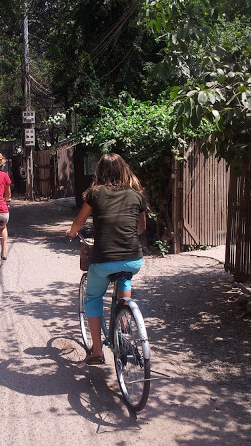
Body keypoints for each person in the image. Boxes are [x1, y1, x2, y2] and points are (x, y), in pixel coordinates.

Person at [66, 153, 147, 365]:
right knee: (125, 276)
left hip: (104, 260)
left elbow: (79, 221)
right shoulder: (137, 195)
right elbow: (141, 228)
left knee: (92, 298)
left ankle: (97, 352)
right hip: (133, 258)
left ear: (100, 171)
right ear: (124, 169)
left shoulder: (95, 193)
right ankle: (124, 319)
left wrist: (73, 232)